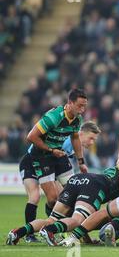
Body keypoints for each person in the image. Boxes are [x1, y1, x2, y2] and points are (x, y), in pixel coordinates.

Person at [18, 89, 88, 241]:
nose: (82, 110)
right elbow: (31, 136)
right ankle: (41, 231)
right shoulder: (54, 117)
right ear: (70, 103)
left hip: (58, 155)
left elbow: (75, 138)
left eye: (84, 106)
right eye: (79, 106)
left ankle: (70, 231)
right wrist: (50, 149)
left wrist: (81, 161)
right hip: (41, 157)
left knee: (73, 192)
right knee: (49, 198)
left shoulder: (77, 119)